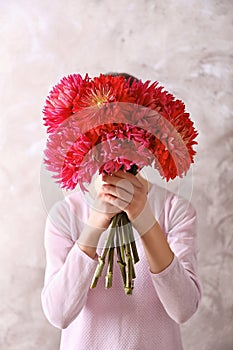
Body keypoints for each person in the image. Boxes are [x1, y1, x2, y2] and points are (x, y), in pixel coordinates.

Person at [41, 73, 202, 350]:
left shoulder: (176, 210)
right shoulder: (65, 215)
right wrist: (97, 221)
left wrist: (144, 218)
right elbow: (59, 314)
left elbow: (183, 309)